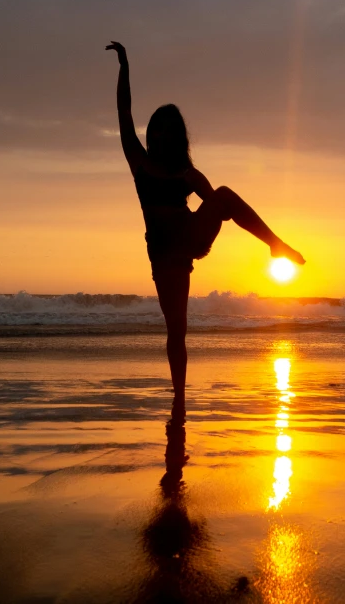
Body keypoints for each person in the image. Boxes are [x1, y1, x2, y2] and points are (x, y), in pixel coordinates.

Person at [106, 41, 305, 421]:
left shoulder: (187, 174)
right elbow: (123, 112)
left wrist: (213, 213)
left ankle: (276, 245)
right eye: (158, 129)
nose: (163, 135)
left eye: (170, 129)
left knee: (225, 195)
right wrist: (125, 66)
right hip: (166, 256)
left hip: (190, 238)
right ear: (153, 134)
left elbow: (217, 205)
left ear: (178, 135)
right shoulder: (140, 162)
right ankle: (179, 396)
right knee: (176, 330)